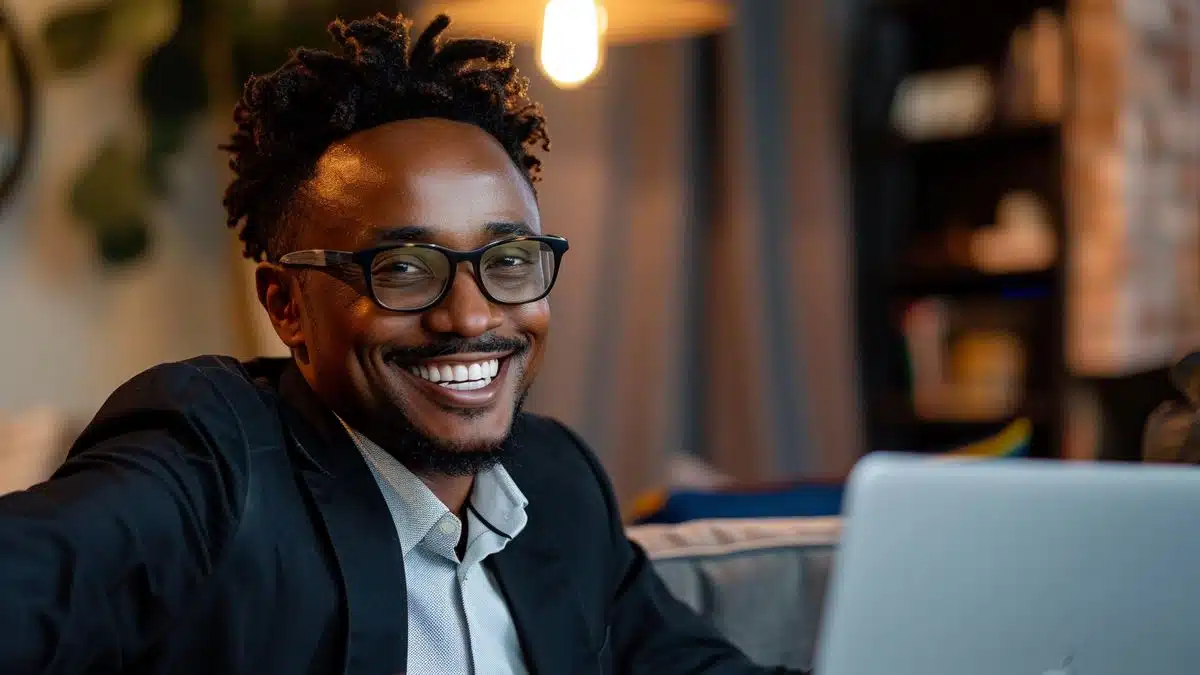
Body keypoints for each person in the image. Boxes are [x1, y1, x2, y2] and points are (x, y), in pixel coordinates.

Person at [0, 13, 807, 675]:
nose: (469, 315)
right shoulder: (212, 458)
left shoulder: (555, 484)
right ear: (286, 304)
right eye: (405, 267)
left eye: (508, 261)